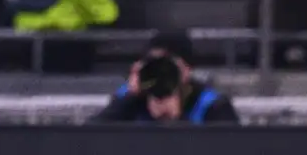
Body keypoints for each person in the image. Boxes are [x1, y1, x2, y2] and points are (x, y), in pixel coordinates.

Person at [90, 54, 240, 124]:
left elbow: (230, 150)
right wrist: (129, 97)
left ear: (187, 70)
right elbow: (90, 137)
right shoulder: (131, 99)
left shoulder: (212, 104)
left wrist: (176, 120)